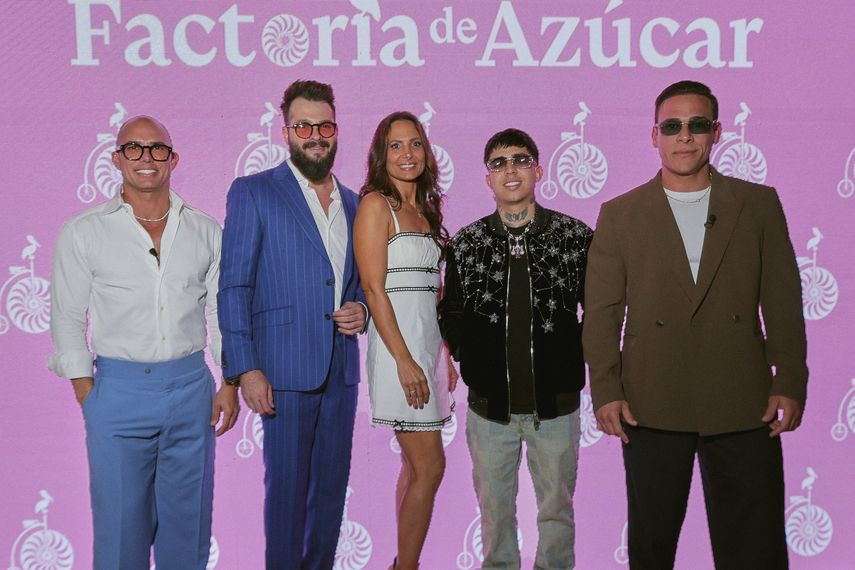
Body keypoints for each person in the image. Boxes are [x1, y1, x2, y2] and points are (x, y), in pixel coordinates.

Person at [583, 80, 808, 568]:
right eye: (672, 126)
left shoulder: (758, 204)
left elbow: (784, 301)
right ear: (655, 136)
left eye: (697, 125)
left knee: (755, 545)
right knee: (652, 544)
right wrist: (605, 389)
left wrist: (789, 380)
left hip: (743, 400)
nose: (684, 136)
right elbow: (601, 313)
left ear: (717, 132)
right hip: (649, 400)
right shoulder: (619, 214)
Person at [48, 116, 238, 569]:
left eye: (157, 149)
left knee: (187, 530)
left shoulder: (205, 230)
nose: (146, 158)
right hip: (117, 392)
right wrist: (87, 393)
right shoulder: (83, 232)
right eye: (134, 149)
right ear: (116, 159)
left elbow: (219, 313)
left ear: (174, 160)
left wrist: (230, 379)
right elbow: (68, 317)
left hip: (191, 389)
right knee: (118, 535)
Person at [218, 79, 367, 569]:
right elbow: (234, 287)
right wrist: (246, 368)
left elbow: (364, 281)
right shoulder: (254, 192)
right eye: (303, 125)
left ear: (336, 131)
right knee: (285, 497)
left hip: (340, 374)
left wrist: (362, 309)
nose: (315, 135)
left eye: (324, 125)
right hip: (281, 374)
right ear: (286, 132)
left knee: (329, 500)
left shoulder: (355, 203)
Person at [438, 128, 592, 569]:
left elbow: (598, 310)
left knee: (557, 514)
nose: (511, 170)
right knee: (495, 516)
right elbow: (451, 312)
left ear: (538, 170)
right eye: (499, 163)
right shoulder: (466, 244)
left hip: (556, 409)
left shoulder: (574, 237)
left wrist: (571, 357)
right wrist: (473, 358)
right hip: (490, 413)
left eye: (521, 160)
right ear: (488, 178)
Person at [353, 111, 453, 570]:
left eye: (414, 144)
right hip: (399, 352)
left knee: (415, 468)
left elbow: (435, 294)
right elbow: (374, 289)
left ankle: (401, 563)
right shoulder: (377, 205)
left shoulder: (426, 210)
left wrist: (444, 354)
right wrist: (405, 361)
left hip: (427, 348)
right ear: (381, 154)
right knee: (430, 467)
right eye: (396, 145)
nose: (407, 153)